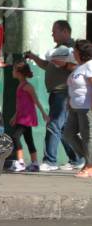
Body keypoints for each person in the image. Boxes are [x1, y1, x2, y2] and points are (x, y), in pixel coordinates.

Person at [25, 21, 80, 172]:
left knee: (53, 125)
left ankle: (50, 161)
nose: (52, 34)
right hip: (57, 93)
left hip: (63, 93)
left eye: (54, 31)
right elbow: (46, 65)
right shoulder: (58, 50)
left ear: (65, 31)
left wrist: (65, 65)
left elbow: (80, 66)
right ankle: (77, 159)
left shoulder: (72, 48)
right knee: (62, 129)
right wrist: (34, 57)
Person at [7, 62, 45, 172]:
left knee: (15, 136)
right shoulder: (20, 85)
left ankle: (20, 163)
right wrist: (15, 116)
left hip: (26, 118)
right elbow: (20, 104)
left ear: (19, 73)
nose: (12, 72)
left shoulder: (28, 86)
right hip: (21, 117)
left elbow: (36, 101)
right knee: (29, 140)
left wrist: (43, 113)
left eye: (14, 70)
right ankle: (35, 163)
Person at [69, 41, 92, 180]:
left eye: (75, 50)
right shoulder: (79, 67)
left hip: (86, 107)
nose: (73, 53)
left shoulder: (89, 65)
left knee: (87, 137)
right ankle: (89, 159)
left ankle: (89, 167)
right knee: (68, 134)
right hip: (74, 107)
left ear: (81, 52)